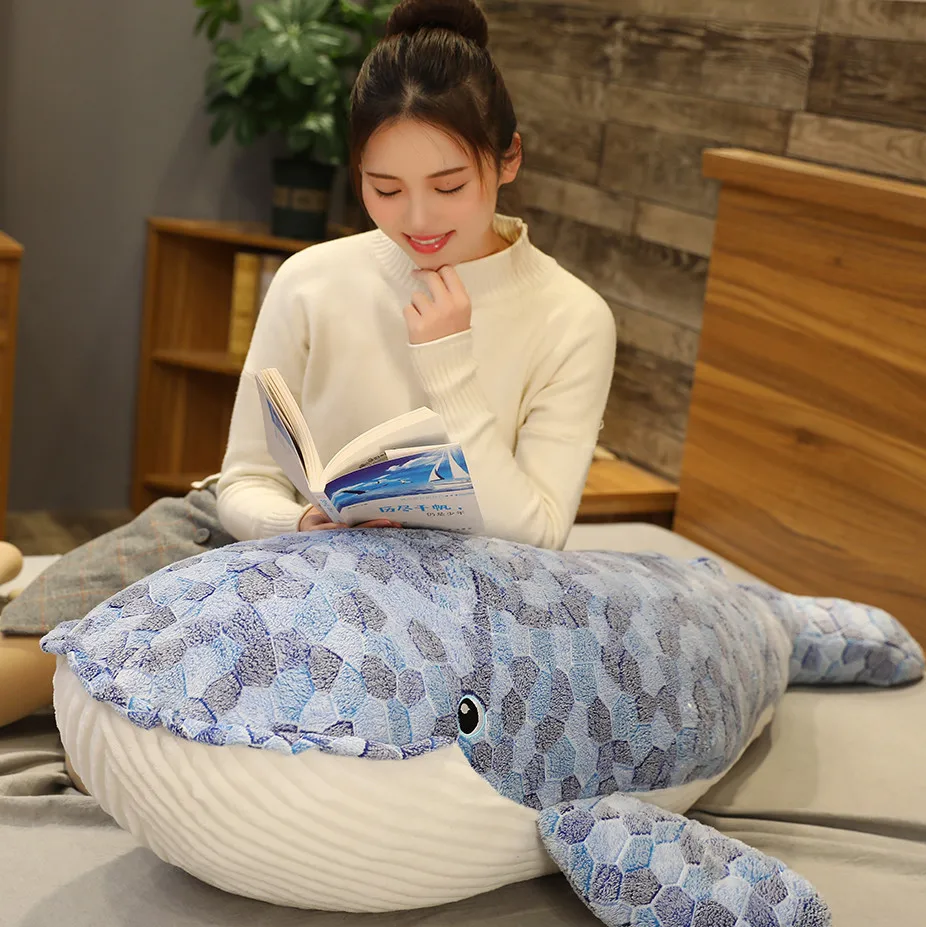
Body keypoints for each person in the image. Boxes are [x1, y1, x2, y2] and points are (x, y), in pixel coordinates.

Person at [0, 0, 616, 731]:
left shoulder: (572, 318)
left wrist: (448, 367)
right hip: (268, 540)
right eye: (385, 189)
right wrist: (297, 521)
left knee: (142, 690)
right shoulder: (312, 280)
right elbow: (242, 482)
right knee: (43, 643)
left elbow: (538, 538)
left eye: (449, 186)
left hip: (432, 593)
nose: (418, 219)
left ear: (508, 158)